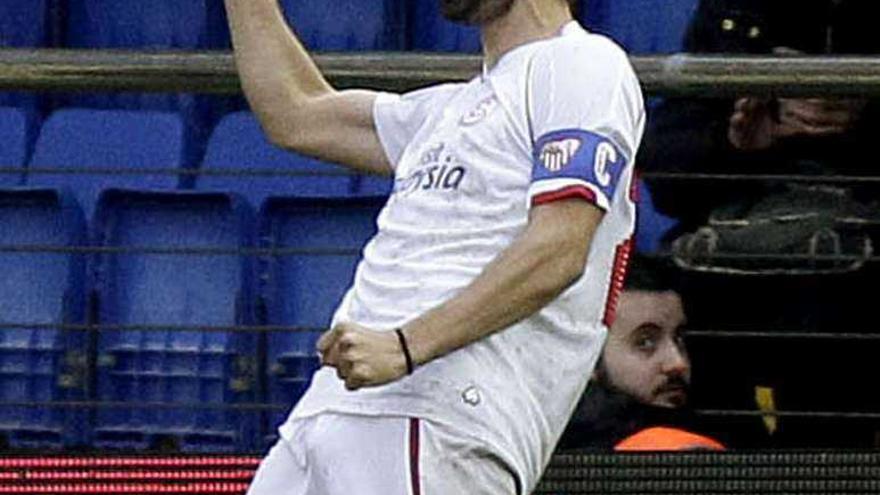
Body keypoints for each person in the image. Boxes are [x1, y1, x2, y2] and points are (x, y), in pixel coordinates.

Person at [225, 0, 644, 493]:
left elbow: (559, 246)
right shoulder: (447, 108)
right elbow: (295, 113)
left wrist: (405, 345)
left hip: (441, 420)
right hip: (332, 412)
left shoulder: (585, 64)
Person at [639, 0, 880, 234]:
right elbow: (667, 183)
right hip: (737, 235)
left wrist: (864, 117)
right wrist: (732, 143)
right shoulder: (737, 9)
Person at [557, 257, 723, 451]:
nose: (678, 363)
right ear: (589, 358)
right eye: (645, 342)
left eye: (679, 338)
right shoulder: (674, 450)